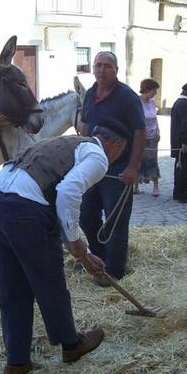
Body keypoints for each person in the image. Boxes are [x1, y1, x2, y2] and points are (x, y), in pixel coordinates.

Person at [0, 118, 130, 374]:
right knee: (50, 282)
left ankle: (16, 362)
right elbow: (67, 192)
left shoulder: (65, 143)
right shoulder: (98, 156)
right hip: (25, 212)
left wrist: (82, 253)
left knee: (13, 288)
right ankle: (71, 345)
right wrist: (75, 241)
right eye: (123, 150)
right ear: (116, 144)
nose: (120, 155)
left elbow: (52, 195)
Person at [79, 51, 146, 284]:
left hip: (117, 169)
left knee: (116, 219)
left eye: (107, 65)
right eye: (98, 65)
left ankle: (115, 270)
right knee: (86, 215)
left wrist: (133, 167)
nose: (101, 69)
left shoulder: (127, 97)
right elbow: (85, 126)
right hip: (91, 167)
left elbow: (140, 132)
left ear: (116, 69)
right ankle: (99, 257)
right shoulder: (89, 95)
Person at [134, 78, 161, 197]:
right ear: (147, 89)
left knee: (153, 160)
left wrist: (158, 130)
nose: (155, 93)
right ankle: (136, 186)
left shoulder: (152, 102)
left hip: (152, 136)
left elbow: (155, 118)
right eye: (154, 90)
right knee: (138, 159)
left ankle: (155, 186)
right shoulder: (137, 102)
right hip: (141, 136)